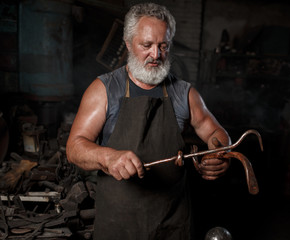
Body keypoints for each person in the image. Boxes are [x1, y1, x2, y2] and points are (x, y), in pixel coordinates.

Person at [66, 3, 231, 240]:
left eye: (163, 46)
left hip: (171, 223)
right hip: (118, 224)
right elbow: (74, 147)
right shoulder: (104, 90)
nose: (156, 55)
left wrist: (220, 153)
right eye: (147, 45)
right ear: (128, 43)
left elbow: (217, 132)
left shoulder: (184, 93)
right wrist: (108, 157)